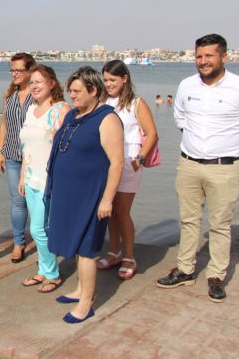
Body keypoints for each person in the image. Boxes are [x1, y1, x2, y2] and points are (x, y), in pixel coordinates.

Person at [157, 34, 239, 303]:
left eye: (208, 56)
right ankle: (185, 269)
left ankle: (215, 275)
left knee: (219, 224)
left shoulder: (236, 87)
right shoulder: (186, 85)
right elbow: (179, 116)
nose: (202, 61)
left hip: (224, 168)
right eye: (199, 56)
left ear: (223, 57)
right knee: (189, 220)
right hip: (189, 164)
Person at [46, 66, 124, 323]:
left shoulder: (107, 119)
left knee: (88, 249)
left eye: (77, 91)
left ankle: (86, 303)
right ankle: (80, 289)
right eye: (70, 91)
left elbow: (116, 162)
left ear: (94, 90)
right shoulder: (74, 116)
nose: (72, 96)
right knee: (77, 246)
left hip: (91, 197)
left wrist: (107, 199)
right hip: (69, 194)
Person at [97, 60, 158, 280]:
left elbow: (152, 133)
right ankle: (114, 251)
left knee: (123, 212)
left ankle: (129, 256)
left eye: (113, 79)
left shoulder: (136, 103)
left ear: (124, 79)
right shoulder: (102, 102)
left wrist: (139, 160)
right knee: (109, 211)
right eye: (105, 80)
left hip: (129, 162)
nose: (108, 84)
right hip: (105, 164)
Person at [18, 65, 70, 292]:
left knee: (39, 229)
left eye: (40, 81)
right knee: (38, 227)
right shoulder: (31, 109)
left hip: (49, 180)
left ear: (52, 83)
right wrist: (22, 176)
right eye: (31, 82)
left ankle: (52, 274)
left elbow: (68, 148)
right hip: (30, 179)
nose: (35, 86)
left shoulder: (61, 110)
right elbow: (26, 147)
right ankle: (42, 271)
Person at [0, 53, 35, 263]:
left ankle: (43, 240)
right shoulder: (10, 94)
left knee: (39, 201)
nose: (15, 74)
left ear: (30, 70)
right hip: (12, 155)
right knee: (18, 202)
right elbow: (4, 123)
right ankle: (19, 242)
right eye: (12, 70)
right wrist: (1, 151)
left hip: (35, 158)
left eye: (19, 70)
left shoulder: (38, 94)